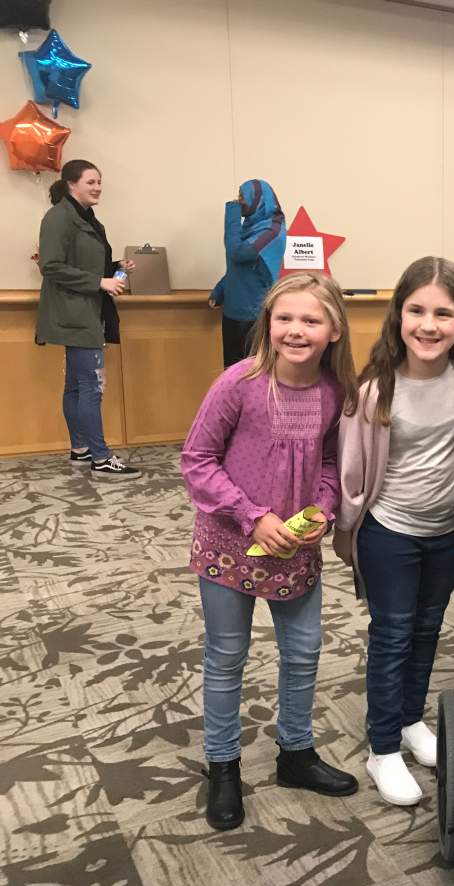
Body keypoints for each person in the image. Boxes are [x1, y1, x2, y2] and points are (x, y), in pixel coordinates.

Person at [181, 272, 360, 831]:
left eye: (311, 320)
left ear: (334, 330)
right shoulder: (239, 383)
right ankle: (223, 766)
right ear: (268, 323)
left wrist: (324, 509)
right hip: (230, 542)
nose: (295, 330)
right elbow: (197, 460)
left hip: (294, 548)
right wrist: (252, 516)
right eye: (284, 318)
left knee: (303, 652)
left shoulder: (334, 393)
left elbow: (329, 462)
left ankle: (296, 754)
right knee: (226, 655)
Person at [333, 257, 454, 806]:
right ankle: (382, 748)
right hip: (390, 532)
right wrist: (347, 532)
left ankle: (407, 720)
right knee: (393, 634)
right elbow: (351, 471)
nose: (428, 325)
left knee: (427, 630)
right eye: (416, 310)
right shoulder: (376, 389)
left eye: (443, 314)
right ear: (398, 315)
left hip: (447, 531)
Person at [36, 158, 140, 478]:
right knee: (90, 386)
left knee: (76, 385)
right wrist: (99, 282)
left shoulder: (90, 219)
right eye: (90, 182)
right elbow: (51, 266)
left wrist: (115, 267)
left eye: (99, 182)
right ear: (72, 185)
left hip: (87, 310)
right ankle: (101, 457)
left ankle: (80, 449)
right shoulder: (58, 217)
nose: (97, 188)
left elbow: (88, 264)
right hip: (74, 314)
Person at [209, 179, 287, 368]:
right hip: (233, 312)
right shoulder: (249, 228)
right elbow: (238, 269)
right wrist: (220, 290)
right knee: (231, 372)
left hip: (254, 316)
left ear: (258, 199)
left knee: (253, 374)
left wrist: (232, 212)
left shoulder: (273, 230)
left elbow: (238, 253)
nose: (238, 201)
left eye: (242, 196)